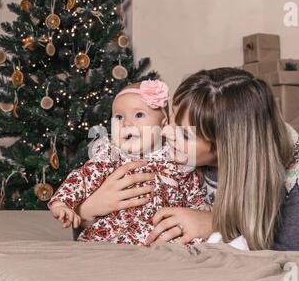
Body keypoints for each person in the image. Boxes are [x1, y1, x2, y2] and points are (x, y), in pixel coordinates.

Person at [77, 68, 299, 251]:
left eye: (187, 135)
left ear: (226, 149)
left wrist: (216, 222)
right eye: (173, 121)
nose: (167, 133)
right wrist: (89, 209)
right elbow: (115, 212)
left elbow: (281, 247)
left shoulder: (287, 153)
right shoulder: (172, 146)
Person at [48, 80, 210, 246]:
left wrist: (200, 207)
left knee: (195, 241)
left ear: (163, 125)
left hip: (161, 231)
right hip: (117, 231)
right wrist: (62, 203)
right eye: (119, 117)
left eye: (139, 115)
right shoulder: (111, 156)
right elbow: (81, 178)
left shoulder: (176, 158)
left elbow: (190, 189)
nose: (126, 123)